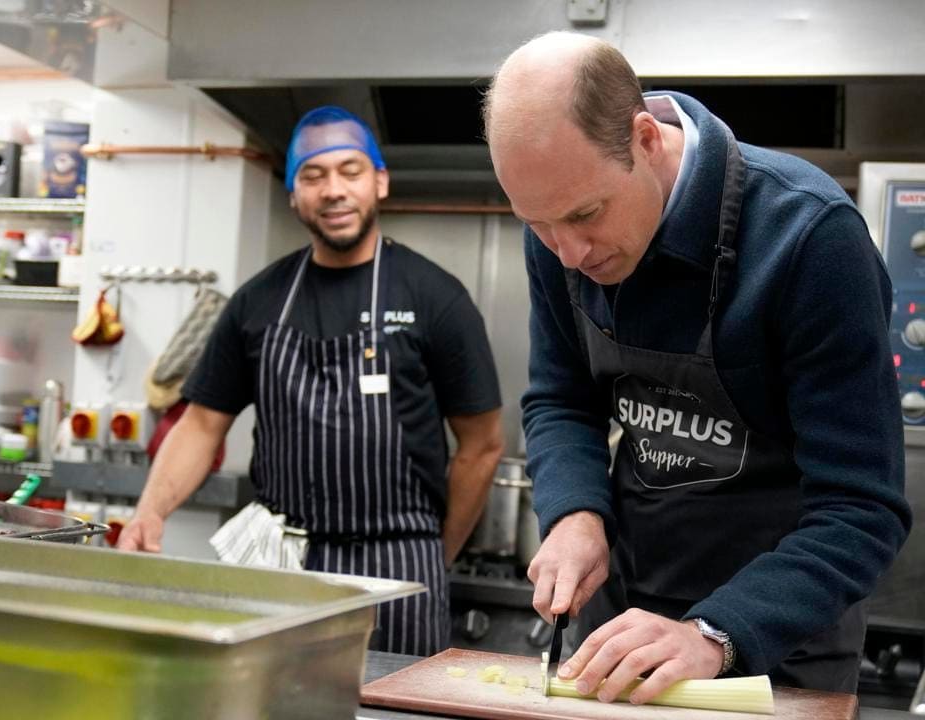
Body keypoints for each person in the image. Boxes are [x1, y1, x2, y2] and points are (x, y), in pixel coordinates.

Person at [483, 32, 912, 700]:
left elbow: (861, 510)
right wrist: (574, 512)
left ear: (645, 139)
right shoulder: (559, 224)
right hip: (620, 628)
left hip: (777, 653)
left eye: (585, 216)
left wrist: (713, 633)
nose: (566, 253)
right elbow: (561, 397)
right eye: (537, 224)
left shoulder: (808, 237)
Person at [117, 106, 505, 656]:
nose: (333, 191)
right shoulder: (258, 302)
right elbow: (201, 425)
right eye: (313, 176)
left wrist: (432, 557)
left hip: (399, 567)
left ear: (380, 182)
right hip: (282, 565)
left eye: (350, 171)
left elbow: (483, 445)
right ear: (294, 195)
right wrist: (149, 511)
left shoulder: (435, 297)